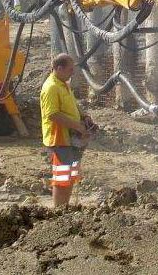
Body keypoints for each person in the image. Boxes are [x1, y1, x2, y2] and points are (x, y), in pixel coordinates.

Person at [41, 53, 97, 207]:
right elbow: (52, 115)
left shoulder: (63, 83)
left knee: (71, 175)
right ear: (59, 68)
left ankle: (65, 208)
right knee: (62, 178)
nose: (72, 72)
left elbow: (72, 104)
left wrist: (84, 116)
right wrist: (78, 126)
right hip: (59, 140)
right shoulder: (51, 87)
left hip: (70, 139)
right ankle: (59, 211)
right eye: (70, 69)